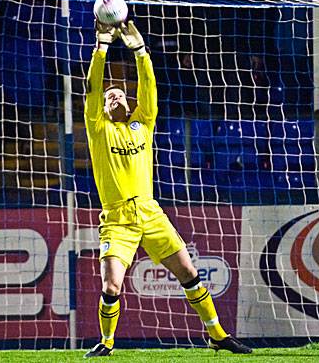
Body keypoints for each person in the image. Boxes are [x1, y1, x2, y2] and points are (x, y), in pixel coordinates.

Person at [83, 19, 252, 357]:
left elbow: (148, 87)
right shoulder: (99, 131)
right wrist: (101, 47)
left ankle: (217, 334)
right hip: (117, 221)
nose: (113, 94)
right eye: (108, 95)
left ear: (130, 104)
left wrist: (140, 52)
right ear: (101, 109)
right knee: (111, 284)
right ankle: (107, 342)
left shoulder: (143, 124)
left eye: (120, 93)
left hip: (150, 212)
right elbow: (91, 87)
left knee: (188, 271)